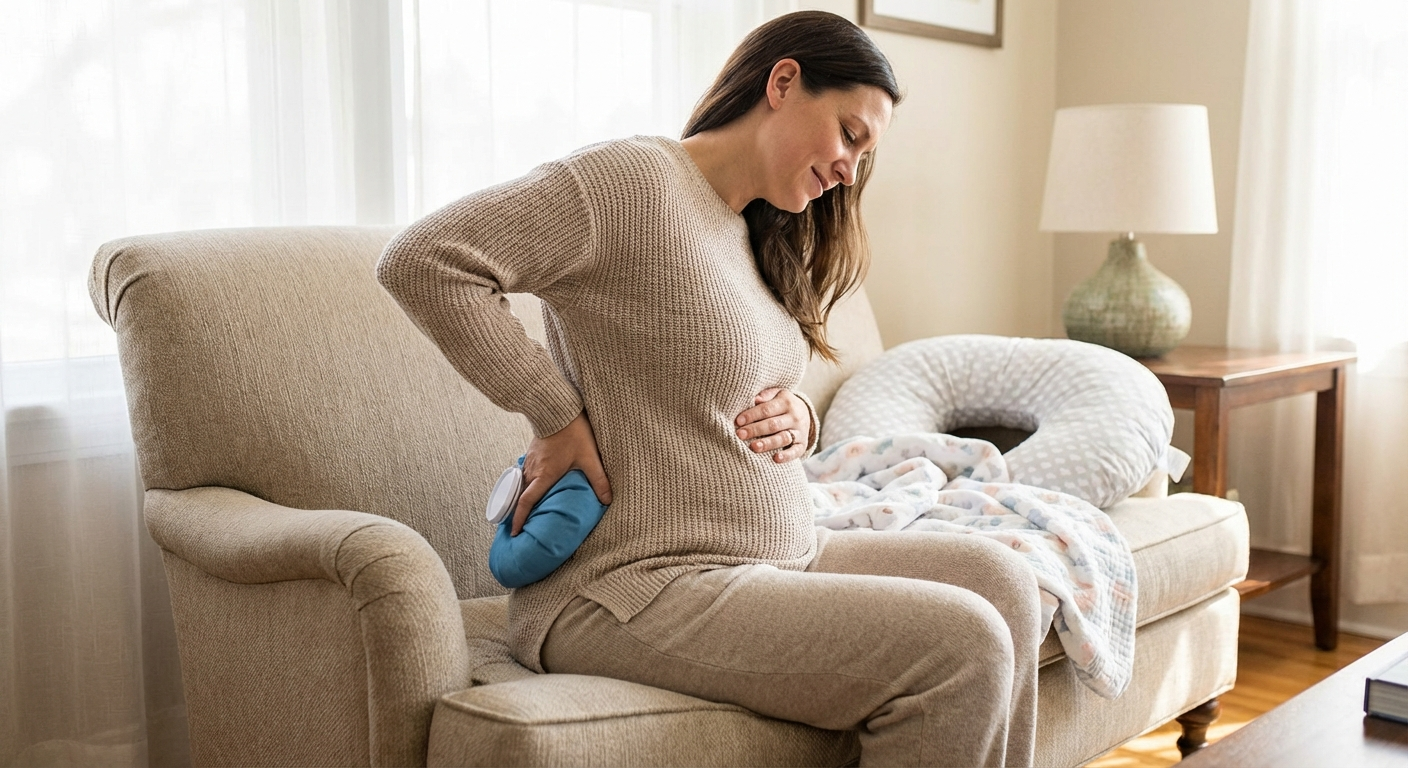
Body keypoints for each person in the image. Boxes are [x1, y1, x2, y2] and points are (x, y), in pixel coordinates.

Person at [376, 10, 1041, 766]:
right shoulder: (629, 184)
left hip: (778, 552)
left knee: (1007, 582)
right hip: (636, 584)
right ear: (784, 82)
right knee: (961, 642)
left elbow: (725, 376)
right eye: (849, 135)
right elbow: (426, 260)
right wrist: (555, 413)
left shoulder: (756, 227)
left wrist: (799, 418)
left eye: (866, 153)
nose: (851, 170)